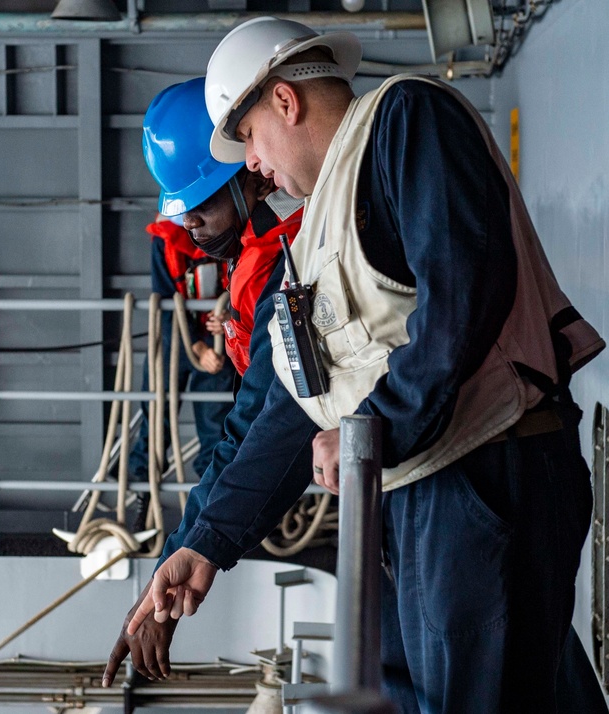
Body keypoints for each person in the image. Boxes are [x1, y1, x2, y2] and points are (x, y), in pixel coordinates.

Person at [122, 18, 606, 713]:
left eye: (249, 138)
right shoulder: (315, 233)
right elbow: (294, 408)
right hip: (419, 492)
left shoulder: (406, 122)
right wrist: (204, 544)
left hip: (484, 477)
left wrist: (374, 428)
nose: (251, 165)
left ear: (286, 101)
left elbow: (463, 294)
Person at [105, 76, 305, 685]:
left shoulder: (296, 258)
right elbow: (248, 428)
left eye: (200, 204)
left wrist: (201, 547)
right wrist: (182, 553)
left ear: (249, 170)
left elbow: (277, 423)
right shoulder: (260, 253)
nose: (190, 223)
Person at [125, 210, 235, 531]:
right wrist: (196, 348)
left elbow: (241, 284)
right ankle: (144, 506)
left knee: (216, 427)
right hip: (174, 343)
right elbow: (162, 297)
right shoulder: (164, 239)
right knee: (155, 421)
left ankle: (211, 513)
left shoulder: (230, 233)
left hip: (218, 347)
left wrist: (226, 317)